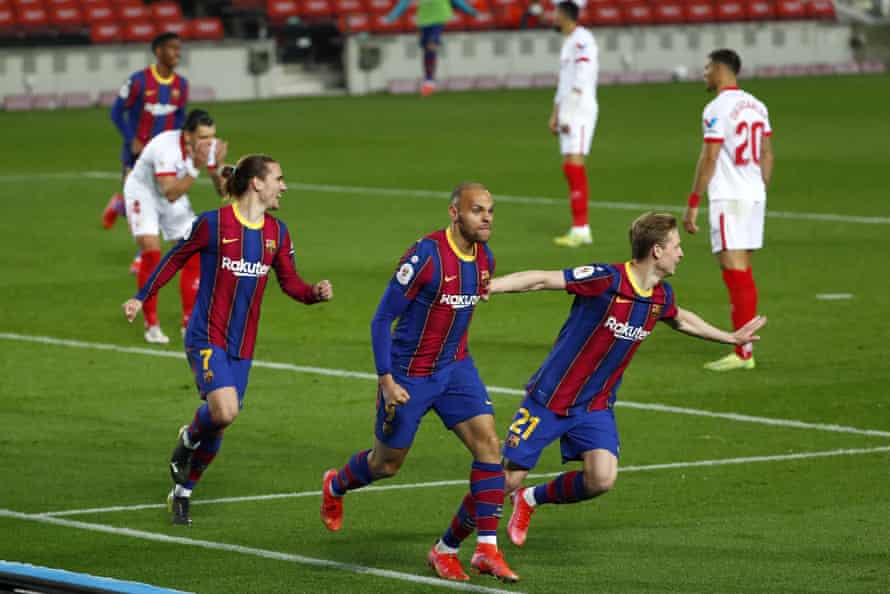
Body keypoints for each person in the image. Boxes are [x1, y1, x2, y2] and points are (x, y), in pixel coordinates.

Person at [434, 212, 766, 549]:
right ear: (656, 251)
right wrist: (491, 286)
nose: (681, 253)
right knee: (505, 479)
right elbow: (542, 280)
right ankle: (447, 546)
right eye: (676, 246)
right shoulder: (606, 279)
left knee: (601, 478)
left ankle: (530, 499)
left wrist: (730, 338)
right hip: (551, 399)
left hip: (594, 405)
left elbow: (682, 320)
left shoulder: (660, 296)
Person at [320, 183, 518, 583]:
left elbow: (471, 299)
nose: (487, 218)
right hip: (408, 374)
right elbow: (381, 320)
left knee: (490, 448)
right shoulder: (425, 257)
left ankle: (479, 549)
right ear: (454, 213)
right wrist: (386, 381)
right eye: (477, 210)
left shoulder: (485, 259)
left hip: (456, 368)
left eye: (491, 211)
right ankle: (336, 483)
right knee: (386, 464)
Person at [122, 154, 334, 525]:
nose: (283, 186)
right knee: (225, 410)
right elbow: (174, 259)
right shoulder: (213, 224)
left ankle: (183, 492)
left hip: (242, 345)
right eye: (279, 179)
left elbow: (291, 283)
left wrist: (314, 292)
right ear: (257, 183)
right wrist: (141, 298)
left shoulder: (277, 233)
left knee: (221, 421)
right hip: (206, 335)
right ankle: (188, 439)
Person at [682, 49, 774, 372]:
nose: (704, 72)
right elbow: (766, 152)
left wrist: (693, 202)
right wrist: (759, 187)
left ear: (721, 69)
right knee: (741, 267)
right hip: (753, 195)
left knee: (734, 270)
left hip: (729, 196)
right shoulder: (757, 105)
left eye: (708, 67)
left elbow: (710, 157)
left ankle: (743, 351)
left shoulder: (717, 108)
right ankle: (744, 346)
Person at [124, 108, 228, 344]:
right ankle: (151, 324)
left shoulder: (207, 149)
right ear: (188, 134)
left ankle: (188, 323)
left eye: (211, 136)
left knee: (193, 252)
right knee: (152, 251)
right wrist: (196, 167)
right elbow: (169, 193)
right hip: (144, 194)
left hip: (173, 193)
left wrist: (219, 167)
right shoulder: (165, 147)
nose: (208, 142)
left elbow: (222, 192)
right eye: (203, 137)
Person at [103, 32, 189, 274]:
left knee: (158, 203)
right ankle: (142, 251)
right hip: (136, 155)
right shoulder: (138, 81)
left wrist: (181, 146)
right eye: (172, 48)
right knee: (141, 204)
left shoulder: (181, 85)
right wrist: (131, 139)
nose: (177, 54)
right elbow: (117, 113)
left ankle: (121, 209)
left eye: (179, 49)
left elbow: (181, 118)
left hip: (165, 158)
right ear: (158, 51)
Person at [550, 0, 598, 248]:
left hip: (579, 109)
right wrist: (556, 112)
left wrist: (568, 111)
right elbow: (564, 82)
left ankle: (581, 228)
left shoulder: (582, 39)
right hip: (569, 108)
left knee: (575, 164)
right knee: (569, 165)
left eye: (556, 13)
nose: (553, 17)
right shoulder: (570, 42)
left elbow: (581, 78)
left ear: (565, 15)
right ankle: (579, 227)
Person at [384, 0, 479, 96]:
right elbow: (404, 2)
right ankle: (428, 79)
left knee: (431, 45)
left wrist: (470, 10)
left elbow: (456, 1)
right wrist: (393, 16)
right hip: (424, 19)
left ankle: (429, 81)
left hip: (439, 16)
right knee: (426, 50)